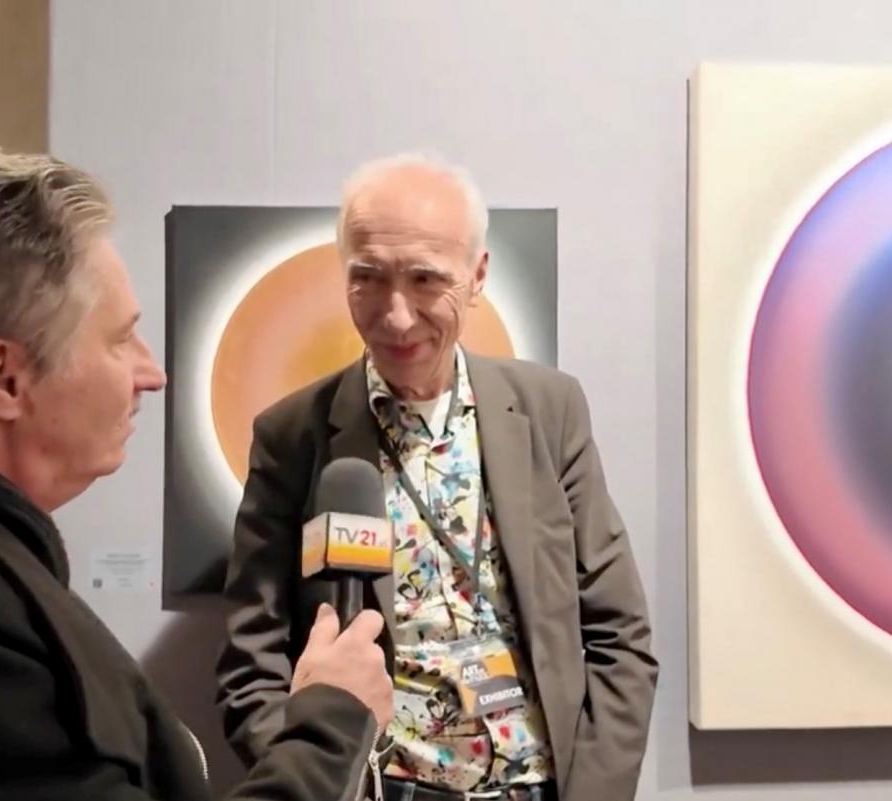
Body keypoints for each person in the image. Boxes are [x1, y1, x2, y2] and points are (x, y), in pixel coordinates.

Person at [217, 153, 658, 801]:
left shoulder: (549, 410)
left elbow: (620, 635)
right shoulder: (293, 436)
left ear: (476, 277)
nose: (396, 316)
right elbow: (251, 663)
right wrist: (320, 776)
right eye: (369, 278)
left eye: (426, 279)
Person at [0, 146, 393, 801]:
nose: (152, 373)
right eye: (119, 339)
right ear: (3, 378)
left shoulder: (7, 575)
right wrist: (333, 722)